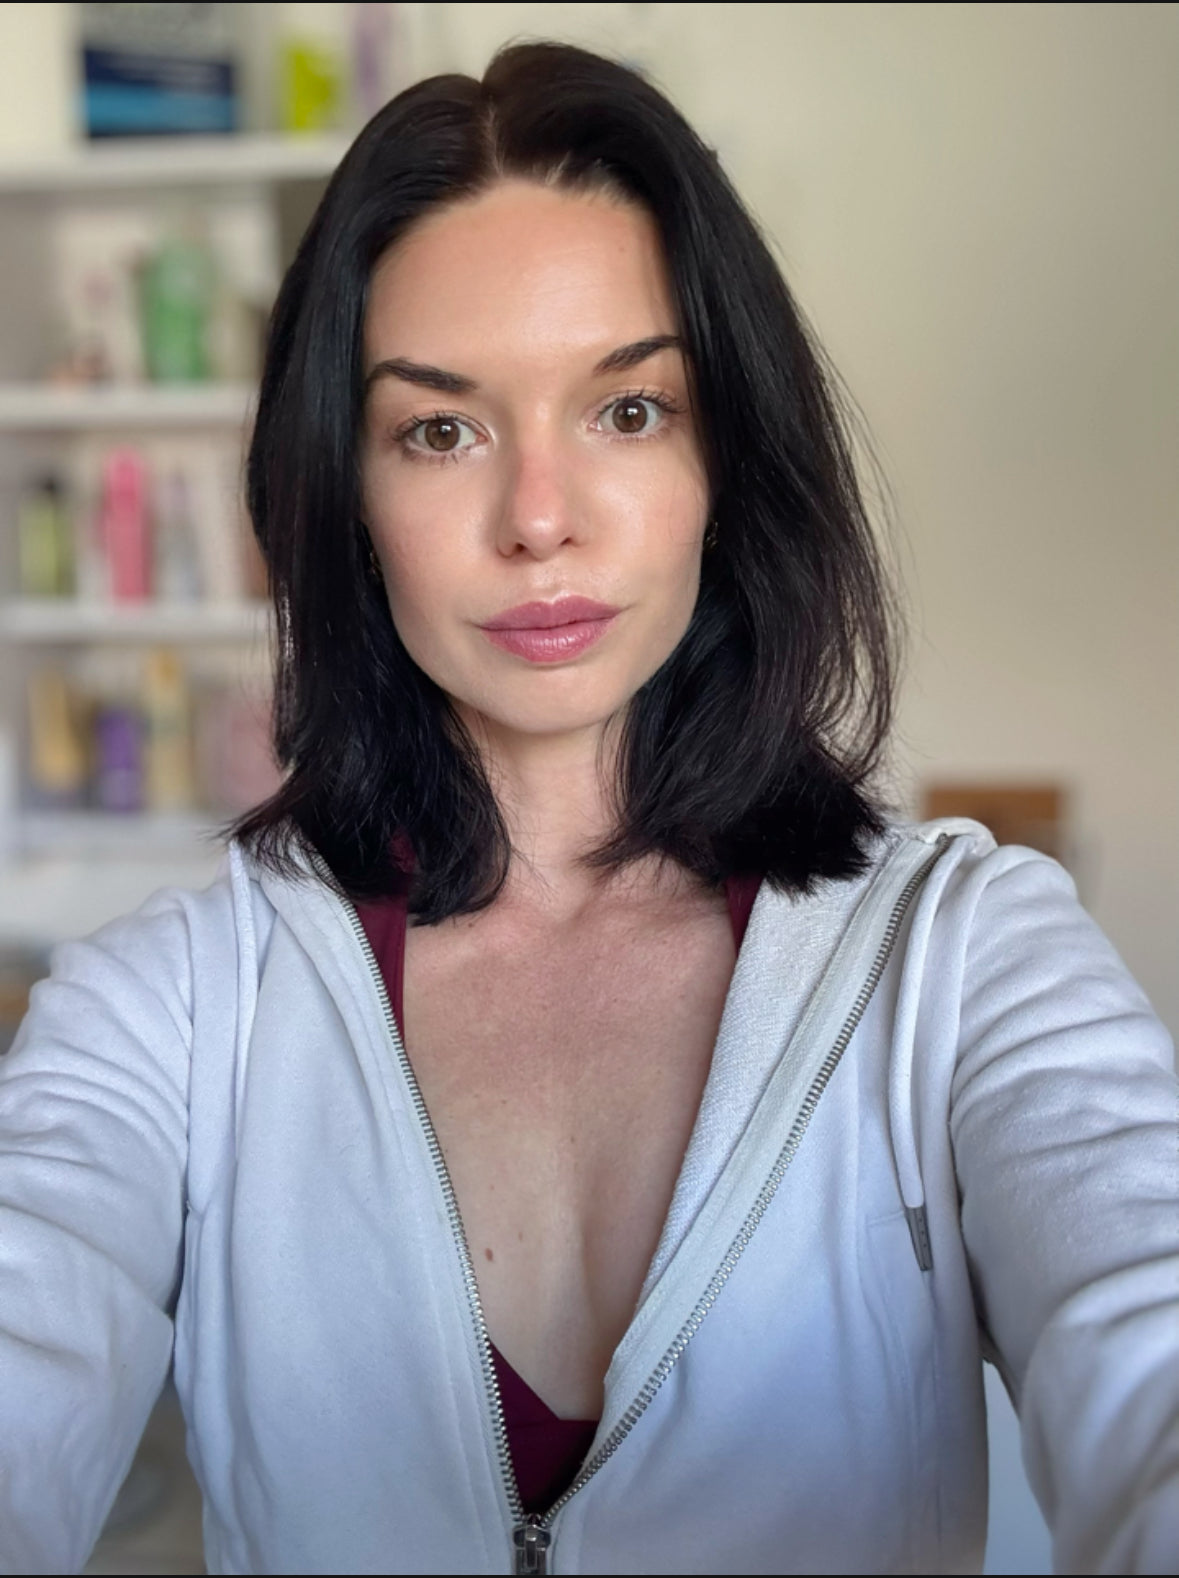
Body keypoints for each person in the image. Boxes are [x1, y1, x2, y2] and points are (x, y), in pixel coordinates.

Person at [1, 40, 1176, 1578]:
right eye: (442, 428)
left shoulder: (965, 962)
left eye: (627, 410)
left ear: (724, 454)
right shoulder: (170, 1010)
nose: (539, 515)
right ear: (344, 495)